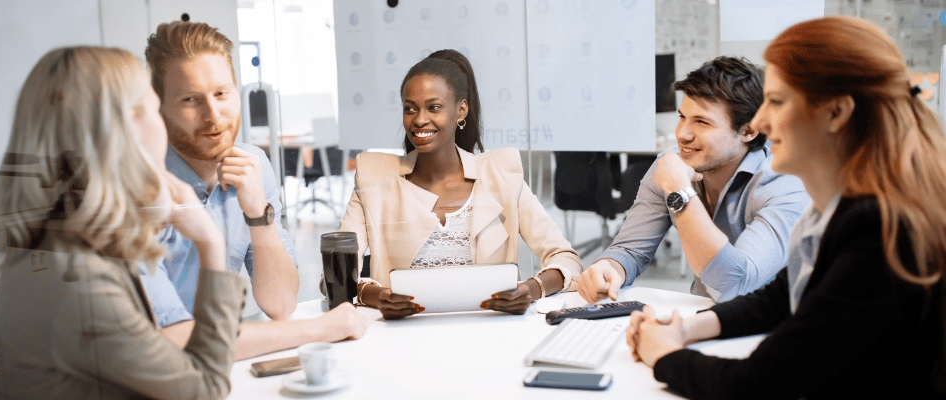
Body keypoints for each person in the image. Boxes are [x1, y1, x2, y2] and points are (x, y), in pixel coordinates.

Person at [627, 16, 946, 398]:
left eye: (776, 102)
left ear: (835, 113)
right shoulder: (844, 207)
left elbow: (759, 382)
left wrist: (663, 354)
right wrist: (683, 327)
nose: (760, 121)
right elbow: (779, 299)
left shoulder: (881, 229)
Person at [0, 46, 242, 399]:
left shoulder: (65, 248)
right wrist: (210, 242)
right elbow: (203, 389)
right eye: (154, 108)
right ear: (129, 124)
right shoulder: (77, 283)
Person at [141, 21, 366, 360]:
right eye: (190, 100)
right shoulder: (139, 187)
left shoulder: (254, 164)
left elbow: (280, 304)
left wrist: (258, 213)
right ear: (159, 106)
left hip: (225, 361)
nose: (213, 116)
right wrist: (319, 329)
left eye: (221, 94)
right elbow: (170, 340)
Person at [339, 49, 582, 319]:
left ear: (461, 110)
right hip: (404, 338)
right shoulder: (375, 180)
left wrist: (531, 289)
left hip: (489, 333)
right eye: (410, 108)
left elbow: (565, 257)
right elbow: (335, 275)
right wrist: (377, 296)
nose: (419, 119)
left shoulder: (500, 175)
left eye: (434, 107)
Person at [579, 56, 810, 303]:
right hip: (702, 320)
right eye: (682, 117)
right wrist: (610, 267)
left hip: (771, 331)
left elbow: (735, 286)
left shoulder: (785, 185)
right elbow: (630, 250)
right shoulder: (670, 167)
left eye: (702, 122)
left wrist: (679, 191)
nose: (682, 134)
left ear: (749, 130)